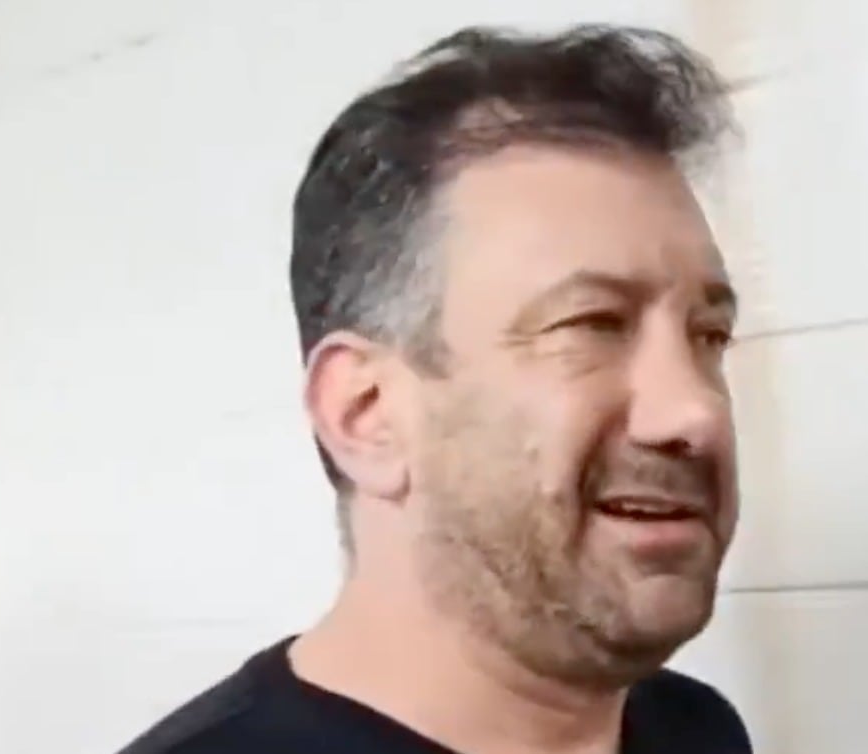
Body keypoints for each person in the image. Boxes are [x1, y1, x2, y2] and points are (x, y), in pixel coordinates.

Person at [119, 23, 750, 754]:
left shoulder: (693, 729)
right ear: (366, 414)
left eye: (708, 335)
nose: (695, 412)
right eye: (591, 324)